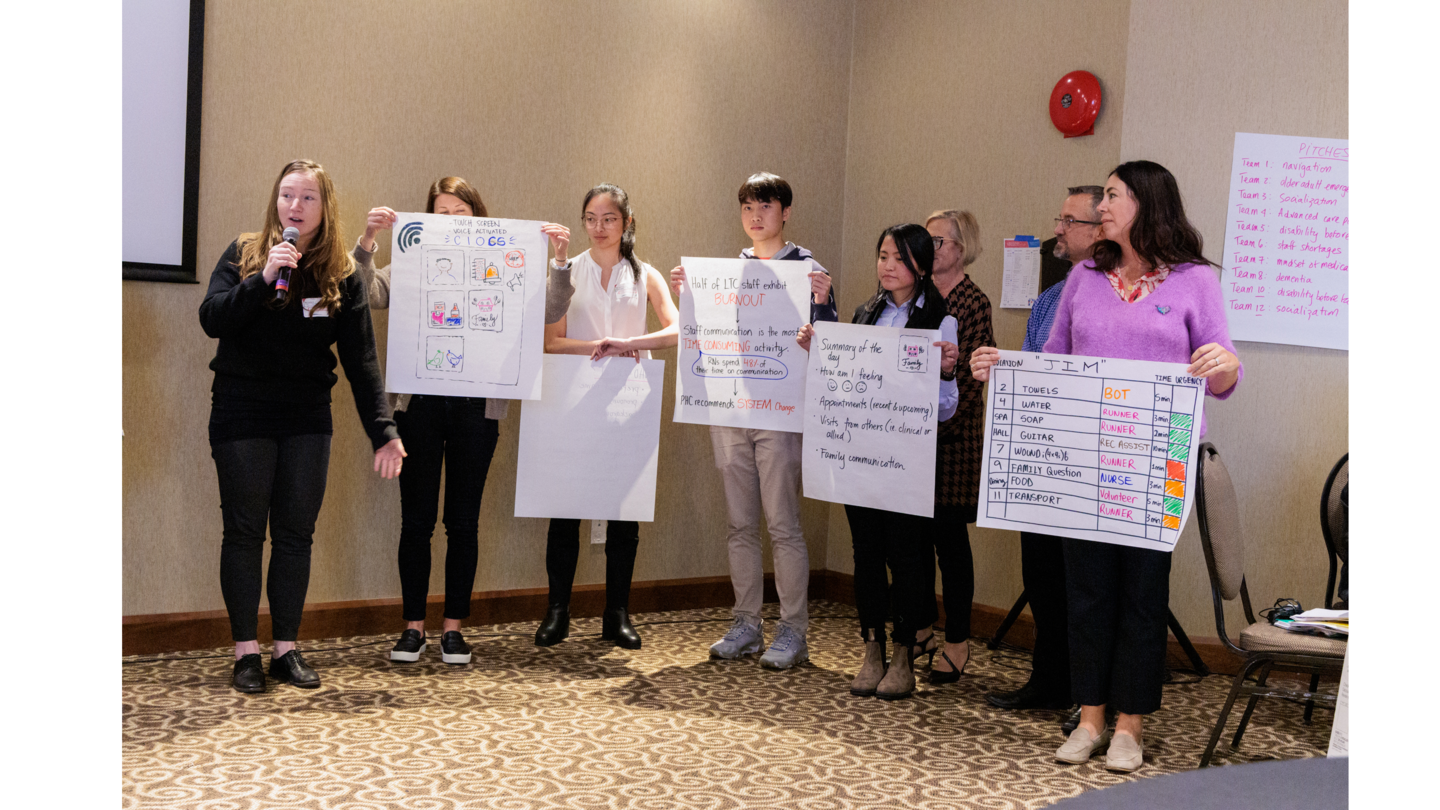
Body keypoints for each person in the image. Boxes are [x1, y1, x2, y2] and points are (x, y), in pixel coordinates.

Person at [970, 161, 1242, 772]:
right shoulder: (1085, 278)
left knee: (1143, 596)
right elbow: (1052, 362)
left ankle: (1130, 726)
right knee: (1086, 593)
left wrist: (1220, 363)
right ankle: (1089, 717)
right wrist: (1000, 367)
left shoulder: (1195, 281)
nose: (1102, 208)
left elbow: (1226, 376)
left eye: (1113, 196)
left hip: (1155, 468)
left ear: (1148, 202)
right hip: (1083, 466)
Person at [199, 159, 405, 693]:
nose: (296, 206)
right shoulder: (246, 252)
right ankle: (246, 652)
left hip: (306, 418)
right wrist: (263, 278)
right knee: (244, 531)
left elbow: (360, 360)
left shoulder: (341, 272)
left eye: (308, 198)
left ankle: (285, 648)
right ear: (276, 200)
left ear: (324, 206)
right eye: (288, 195)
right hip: (243, 411)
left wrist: (384, 430)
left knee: (295, 535)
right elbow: (212, 318)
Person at [354, 178, 573, 666]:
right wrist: (368, 241)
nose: (451, 219)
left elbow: (553, 308)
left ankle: (453, 629)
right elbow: (367, 292)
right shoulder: (413, 258)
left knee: (464, 522)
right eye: (441, 211)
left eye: (460, 210)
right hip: (420, 407)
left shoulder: (505, 260)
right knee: (416, 521)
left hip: (479, 408)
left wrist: (559, 260)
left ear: (477, 214)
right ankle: (413, 627)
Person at [669, 172, 837, 670]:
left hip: (781, 414)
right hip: (730, 409)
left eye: (765, 206)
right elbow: (702, 331)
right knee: (739, 523)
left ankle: (793, 630)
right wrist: (689, 294)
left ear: (785, 212)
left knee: (782, 523)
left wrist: (824, 308)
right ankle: (746, 622)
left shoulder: (809, 271)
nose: (755, 216)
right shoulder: (727, 271)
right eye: (747, 208)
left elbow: (833, 349)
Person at [797, 224, 961, 700]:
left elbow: (946, 407)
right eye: (882, 256)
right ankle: (872, 648)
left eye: (899, 258)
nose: (887, 266)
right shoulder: (865, 313)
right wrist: (820, 350)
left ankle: (906, 652)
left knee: (908, 556)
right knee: (865, 553)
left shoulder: (939, 319)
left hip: (907, 461)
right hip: (860, 457)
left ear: (922, 266)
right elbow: (846, 380)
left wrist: (946, 371)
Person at [534, 183, 679, 650]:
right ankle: (558, 611)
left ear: (626, 224)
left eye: (609, 219)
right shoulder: (566, 272)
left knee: (623, 512)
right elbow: (551, 341)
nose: (599, 228)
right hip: (572, 400)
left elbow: (676, 330)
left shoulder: (646, 275)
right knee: (565, 509)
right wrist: (600, 348)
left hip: (627, 399)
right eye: (591, 219)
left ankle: (616, 613)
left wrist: (630, 345)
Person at [984, 186, 1104, 713]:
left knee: (1085, 587)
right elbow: (1039, 372)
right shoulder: (1051, 299)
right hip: (1042, 457)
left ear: (1102, 230)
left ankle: (1089, 693)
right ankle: (1048, 678)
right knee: (1042, 575)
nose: (1058, 228)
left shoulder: (1111, 297)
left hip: (1090, 463)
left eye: (1070, 220)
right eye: (1059, 218)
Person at [910, 210, 992, 684]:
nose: (928, 248)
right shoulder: (914, 296)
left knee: (949, 545)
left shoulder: (972, 301)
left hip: (953, 442)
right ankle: (921, 627)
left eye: (936, 241)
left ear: (960, 249)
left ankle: (958, 640)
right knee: (913, 544)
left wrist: (934, 424)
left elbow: (971, 375)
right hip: (908, 441)